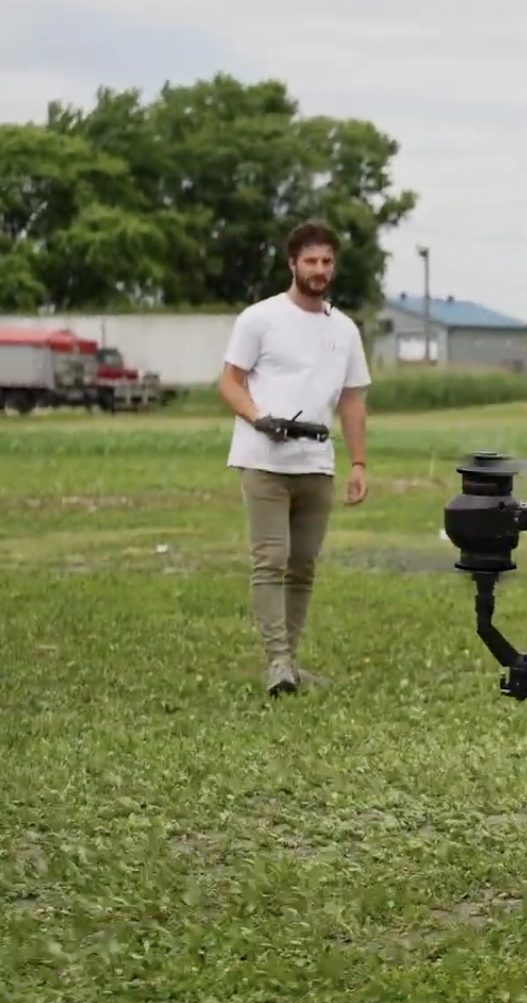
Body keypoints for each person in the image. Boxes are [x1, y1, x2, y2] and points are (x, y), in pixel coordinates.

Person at [216, 219, 371, 696]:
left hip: (316, 463)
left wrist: (359, 463)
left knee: (303, 564)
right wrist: (259, 418)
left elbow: (352, 400)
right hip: (264, 460)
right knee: (271, 559)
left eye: (327, 261)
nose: (319, 269)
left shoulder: (344, 330)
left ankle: (290, 661)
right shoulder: (259, 318)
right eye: (311, 261)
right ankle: (277, 660)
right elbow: (229, 381)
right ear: (292, 263)